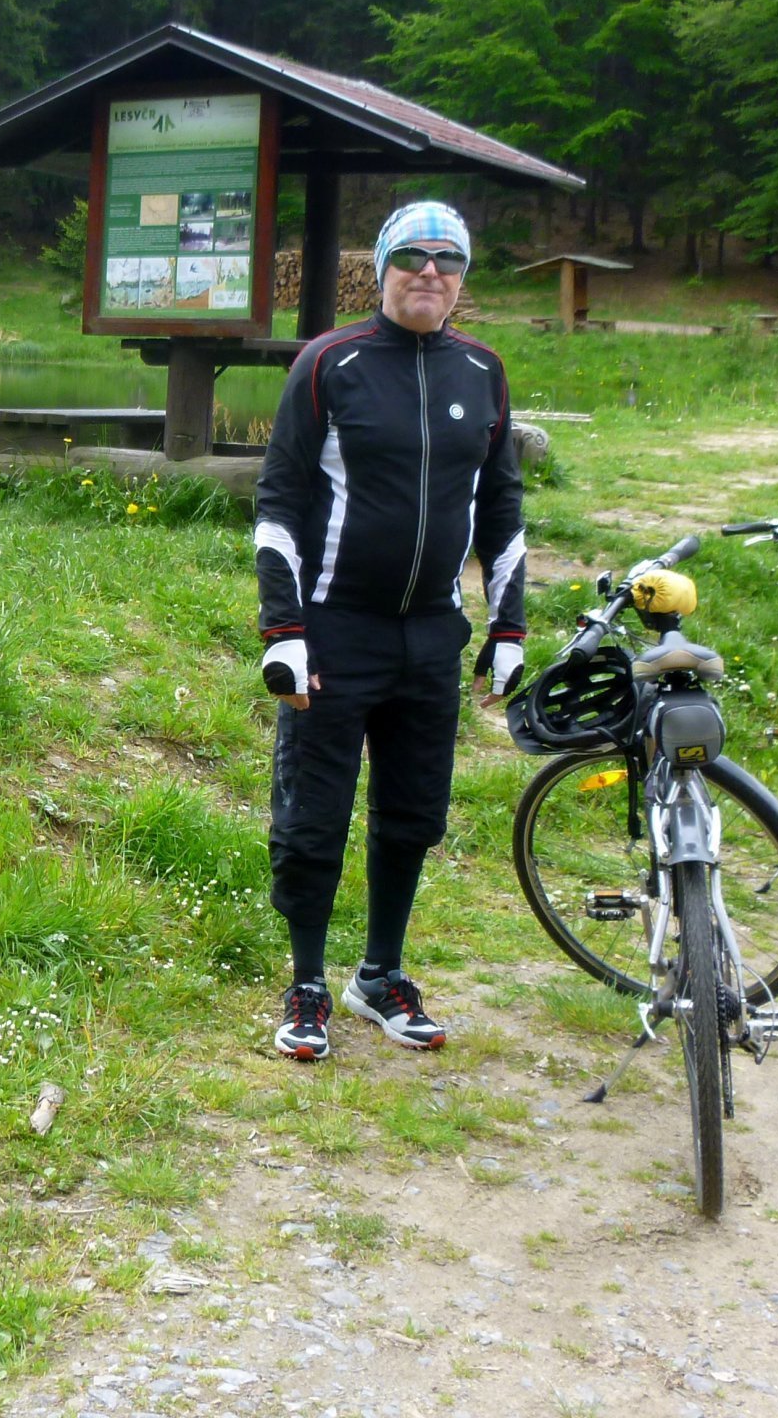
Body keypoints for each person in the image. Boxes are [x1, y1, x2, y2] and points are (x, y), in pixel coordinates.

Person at [252, 200, 527, 1060]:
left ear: (462, 279)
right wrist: (284, 627)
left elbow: (502, 506)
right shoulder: (331, 362)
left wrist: (509, 626)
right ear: (383, 267)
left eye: (449, 260)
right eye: (412, 256)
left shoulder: (482, 372)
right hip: (334, 635)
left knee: (413, 816)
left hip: (431, 639)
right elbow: (279, 503)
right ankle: (305, 984)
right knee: (312, 819)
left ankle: (381, 974)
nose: (430, 272)